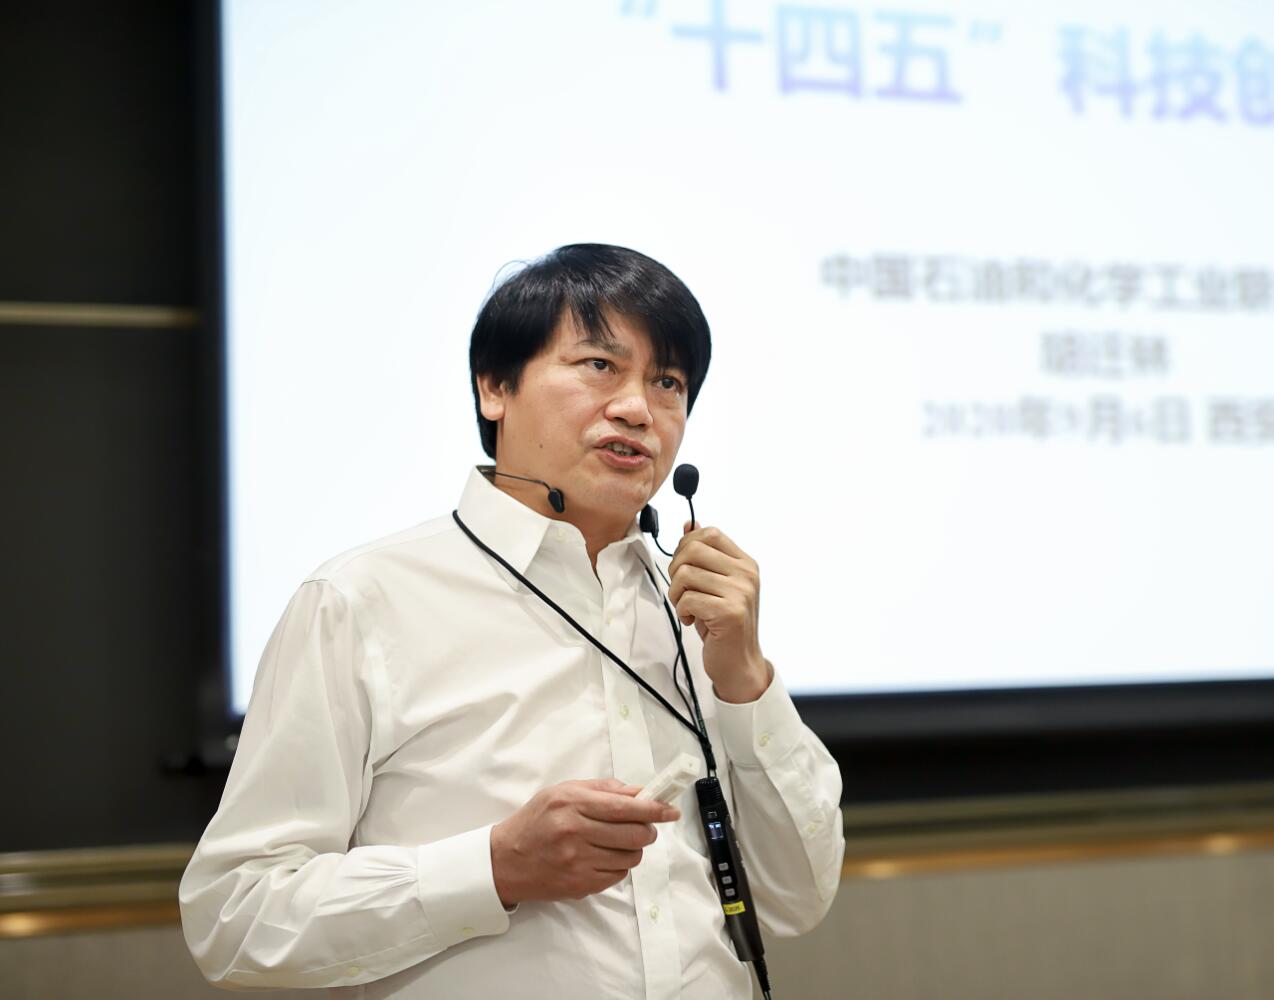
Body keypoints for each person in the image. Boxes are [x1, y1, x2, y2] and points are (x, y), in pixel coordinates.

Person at [179, 244, 845, 999]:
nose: (637, 408)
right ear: (494, 387)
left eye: (668, 382)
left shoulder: (697, 609)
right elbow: (236, 915)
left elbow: (798, 896)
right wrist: (492, 868)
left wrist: (745, 676)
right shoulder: (361, 601)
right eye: (599, 365)